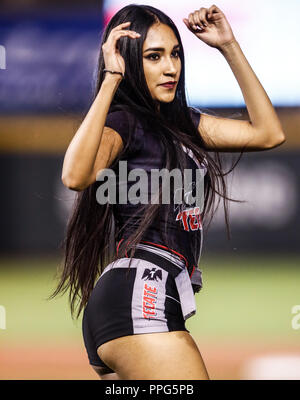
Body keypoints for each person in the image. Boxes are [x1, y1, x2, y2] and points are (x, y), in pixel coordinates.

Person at [51, 4, 285, 380]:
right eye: (154, 56)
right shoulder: (124, 123)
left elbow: (268, 133)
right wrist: (112, 79)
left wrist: (228, 46)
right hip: (141, 296)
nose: (171, 67)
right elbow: (75, 176)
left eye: (175, 53)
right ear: (128, 62)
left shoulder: (184, 124)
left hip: (142, 301)